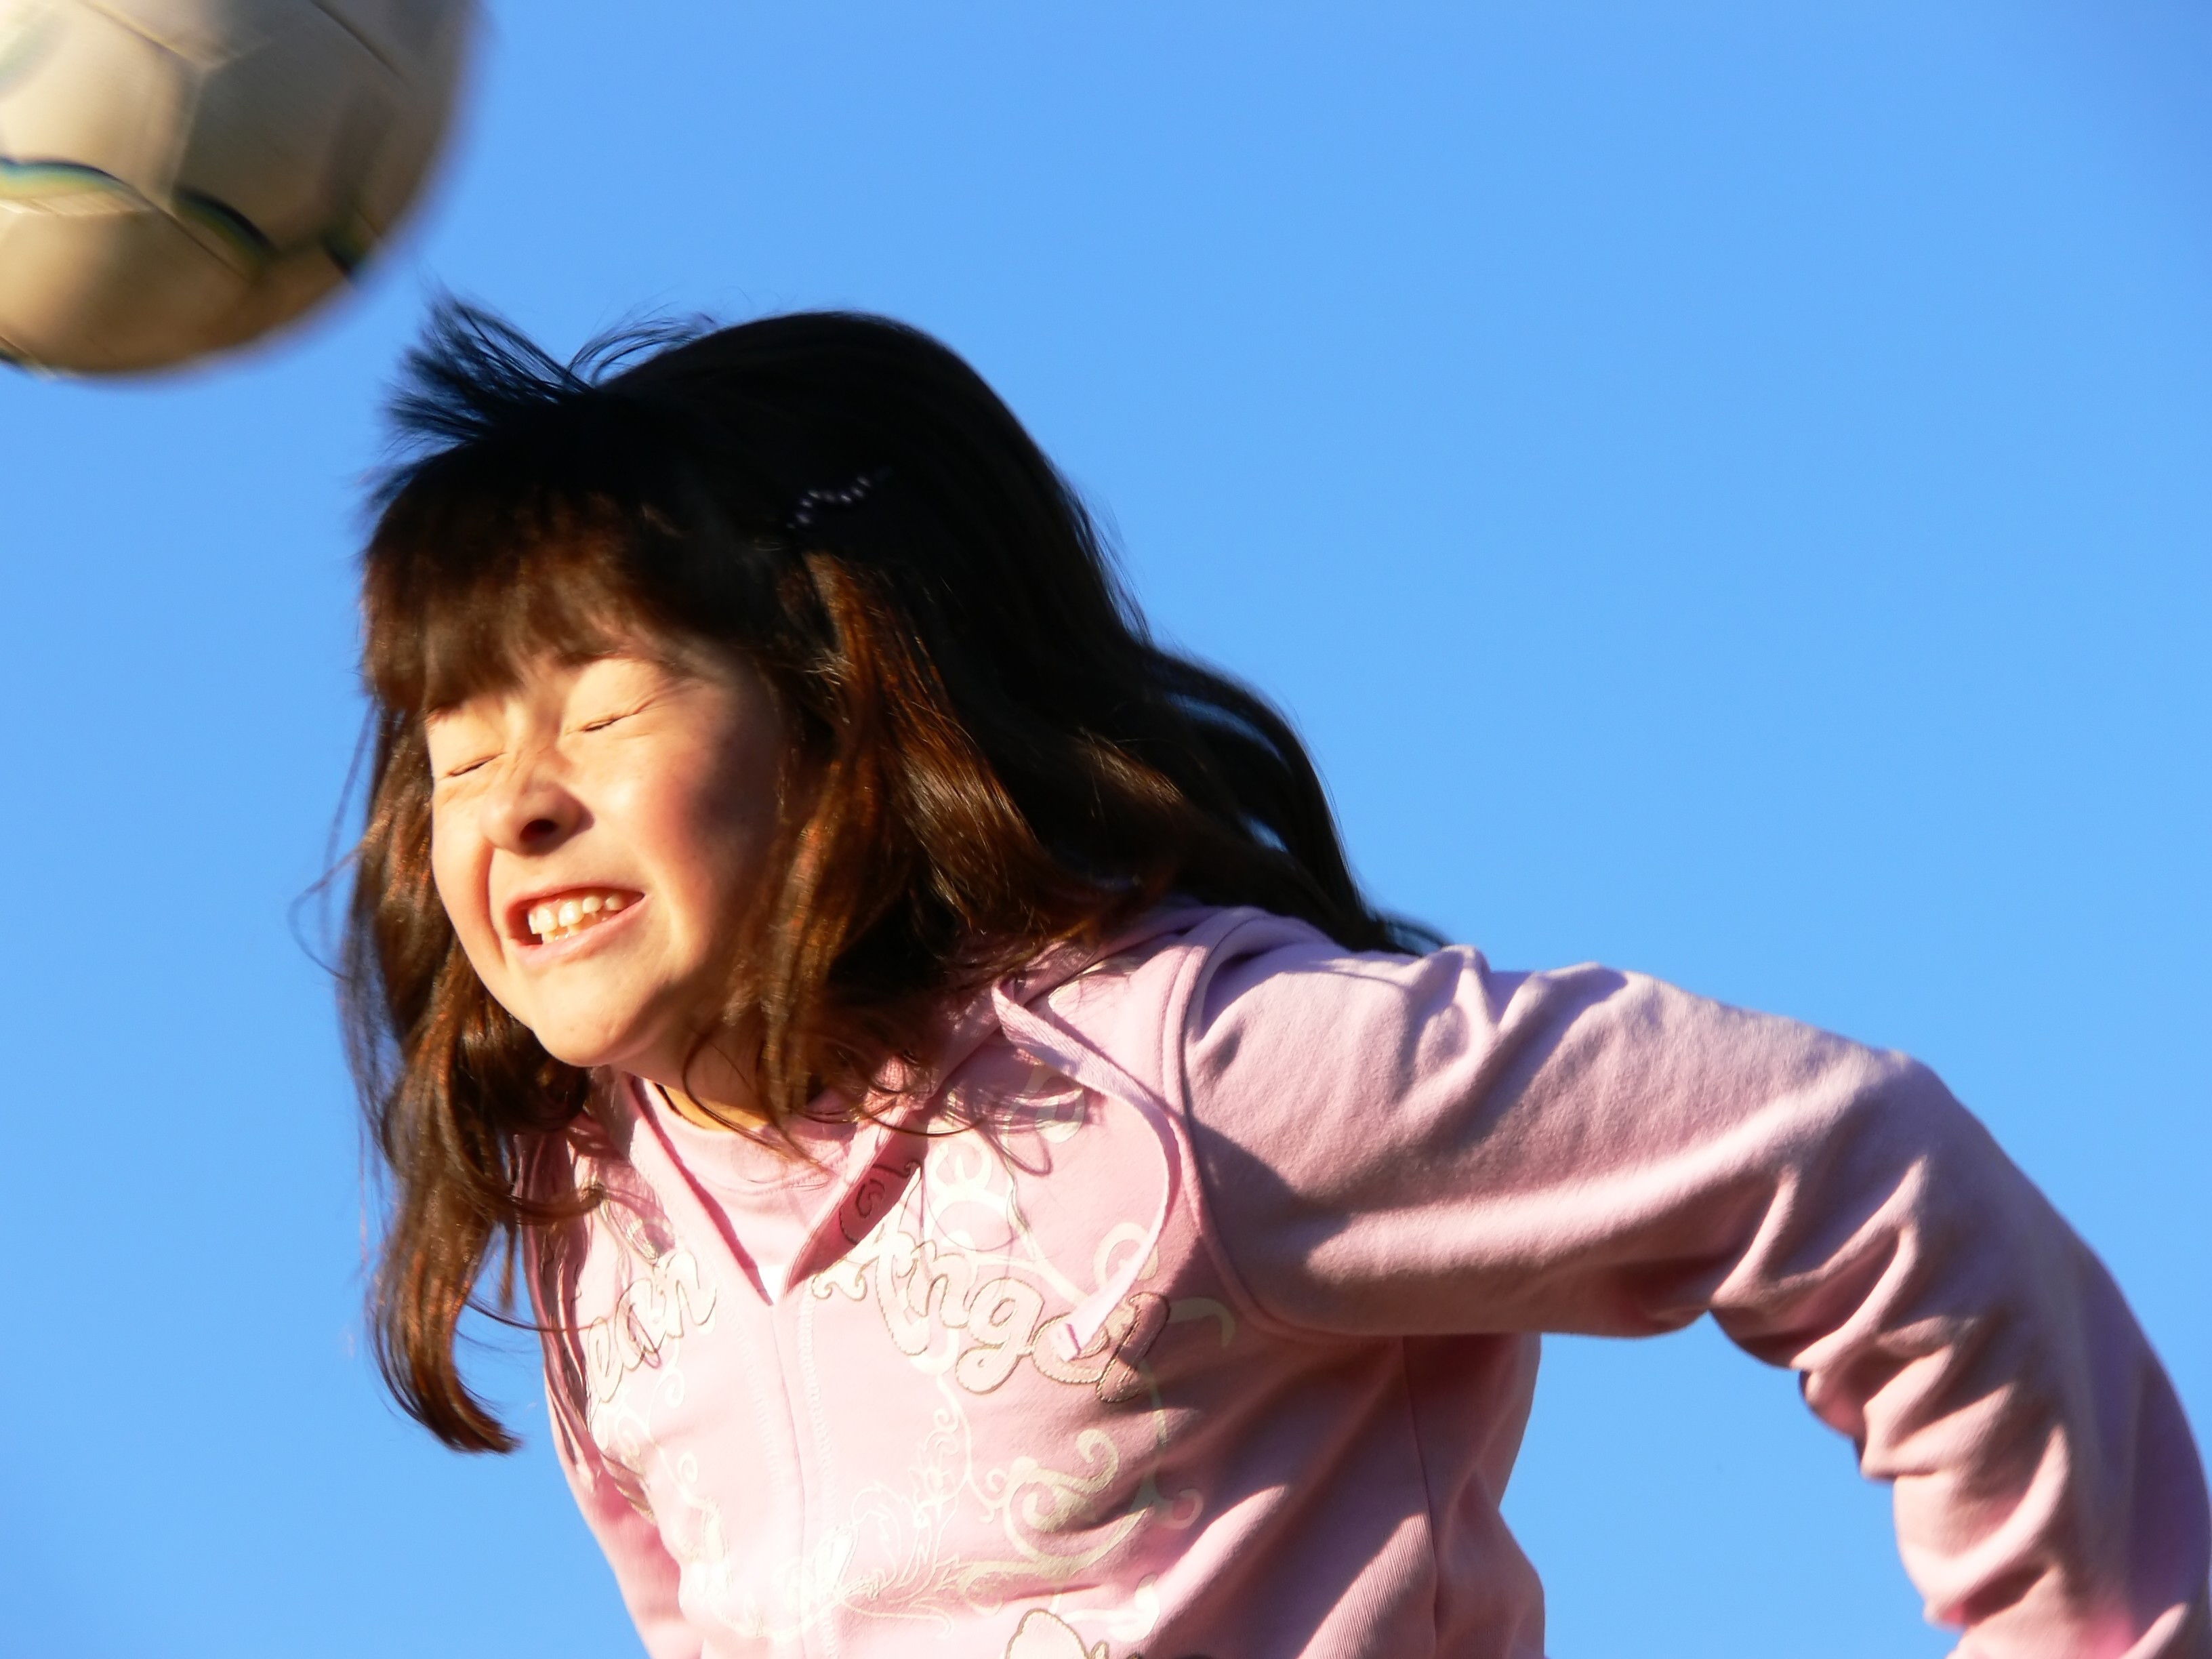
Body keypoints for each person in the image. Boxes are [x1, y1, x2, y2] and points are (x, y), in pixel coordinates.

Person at [341, 302, 2209, 1659]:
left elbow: (1849, 1156)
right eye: (455, 746)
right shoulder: (600, 1227)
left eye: (600, 701)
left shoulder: (1176, 1077)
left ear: (851, 703)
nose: (519, 804)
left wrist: (2090, 1628)